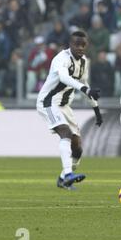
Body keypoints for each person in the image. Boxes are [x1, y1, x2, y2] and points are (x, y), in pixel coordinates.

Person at [36, 31, 103, 190]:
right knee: (65, 133)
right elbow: (65, 78)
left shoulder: (84, 62)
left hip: (65, 106)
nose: (80, 48)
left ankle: (62, 179)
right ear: (70, 45)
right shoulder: (61, 59)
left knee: (78, 148)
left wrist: (97, 111)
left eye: (83, 45)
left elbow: (84, 82)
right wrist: (86, 89)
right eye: (76, 44)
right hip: (48, 102)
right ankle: (67, 174)